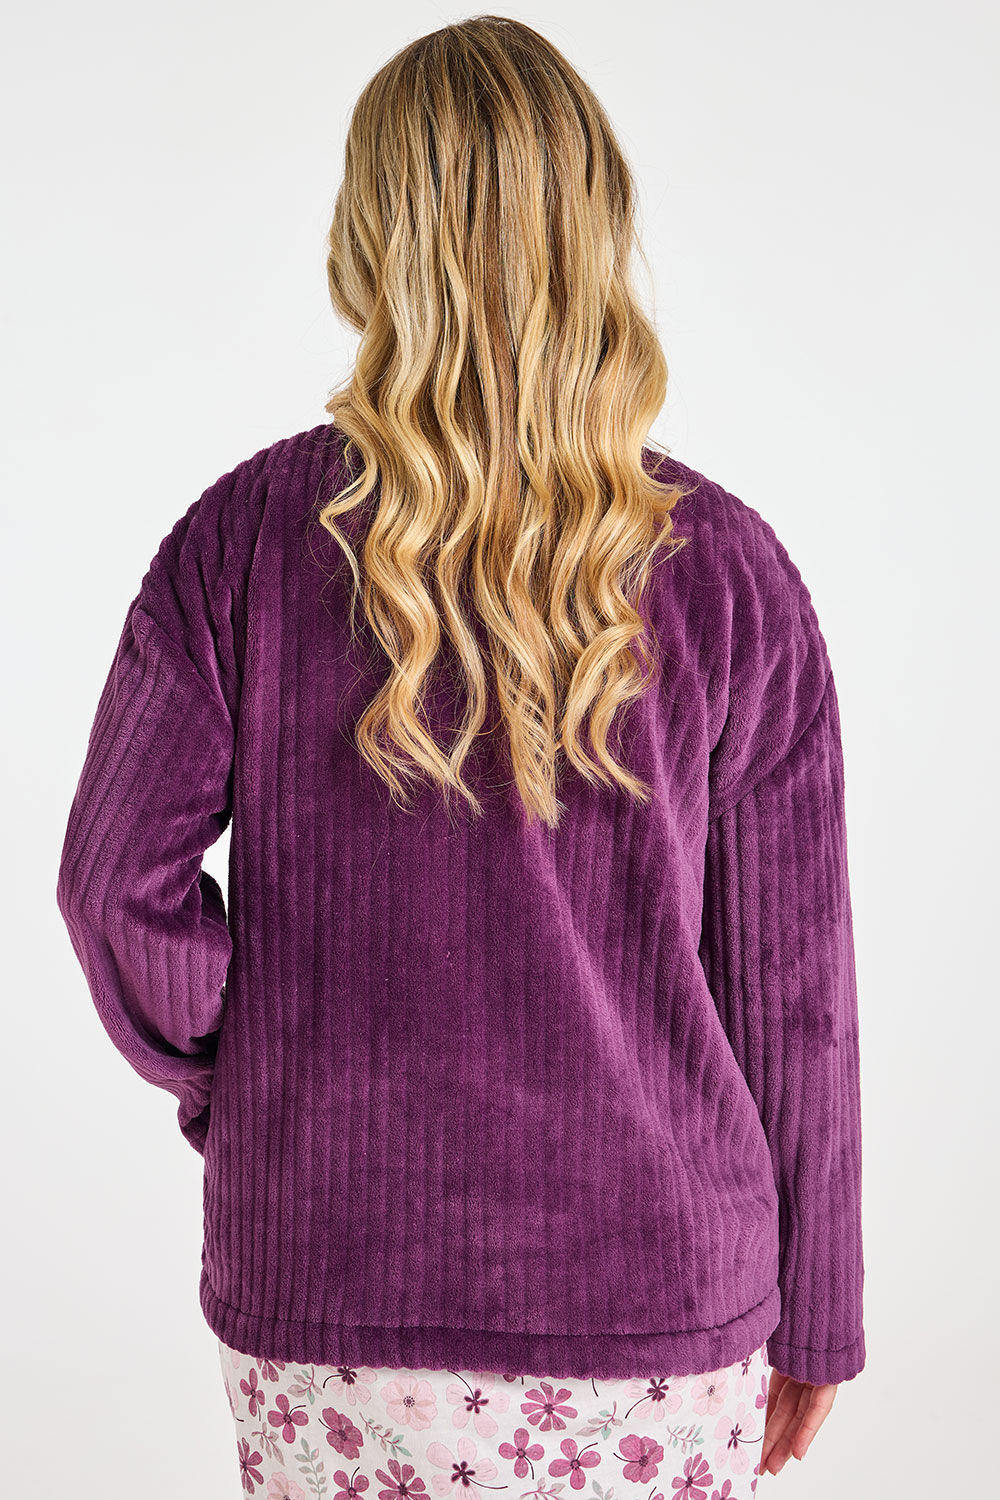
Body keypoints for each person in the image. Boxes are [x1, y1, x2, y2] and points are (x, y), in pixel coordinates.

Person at [55, 15, 865, 1497]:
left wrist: (242, 1073)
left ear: (369, 238)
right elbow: (795, 997)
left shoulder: (241, 544)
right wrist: (822, 1309)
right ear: (598, 230)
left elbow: (113, 886)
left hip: (329, 1291)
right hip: (659, 1306)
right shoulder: (733, 574)